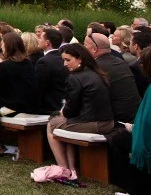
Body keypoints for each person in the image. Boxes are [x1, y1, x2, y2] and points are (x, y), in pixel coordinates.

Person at [46, 44, 115, 180]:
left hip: (94, 123)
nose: (65, 64)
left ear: (80, 59)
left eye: (68, 60)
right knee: (64, 123)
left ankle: (63, 168)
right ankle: (71, 168)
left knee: (51, 125)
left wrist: (62, 112)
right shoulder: (97, 73)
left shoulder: (75, 78)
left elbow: (70, 110)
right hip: (107, 121)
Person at [0, 33, 38, 156]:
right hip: (29, 103)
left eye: (2, 44)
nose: (1, 46)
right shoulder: (28, 63)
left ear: (8, 46)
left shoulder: (6, 65)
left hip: (15, 106)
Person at [86, 32, 140, 124]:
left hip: (117, 120)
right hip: (135, 115)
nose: (83, 48)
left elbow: (89, 99)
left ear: (94, 49)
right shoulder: (120, 61)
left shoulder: (96, 67)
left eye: (85, 44)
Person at [35, 27, 69, 114]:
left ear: (47, 42)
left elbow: (39, 86)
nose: (38, 39)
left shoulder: (44, 62)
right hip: (62, 104)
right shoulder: (63, 58)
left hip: (49, 107)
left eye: (40, 38)